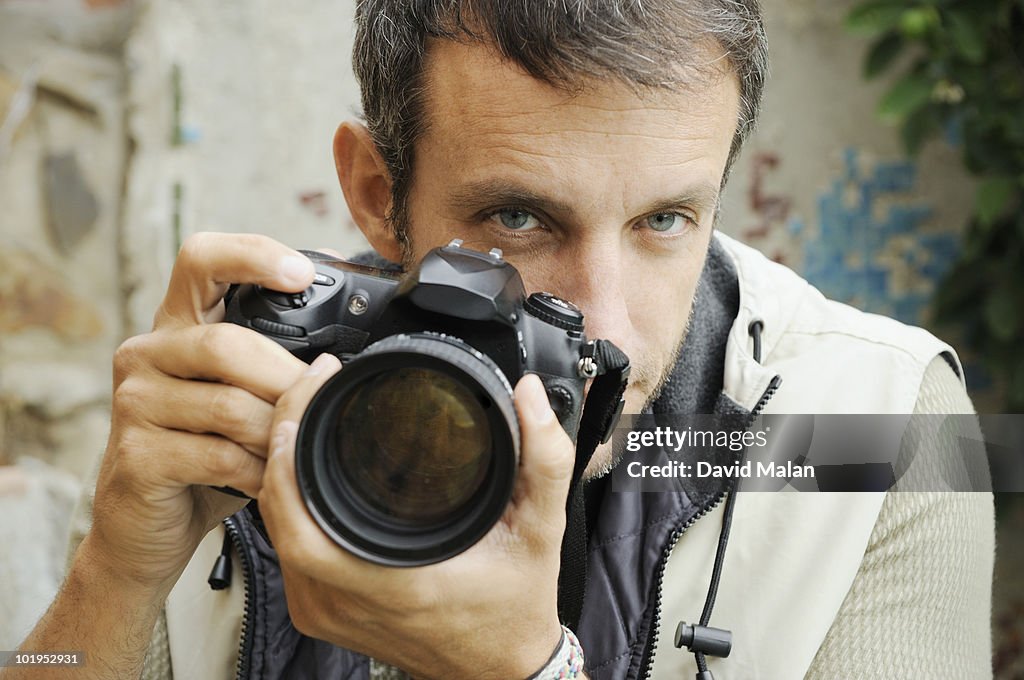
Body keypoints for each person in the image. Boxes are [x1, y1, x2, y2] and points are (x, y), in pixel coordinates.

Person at [5, 1, 994, 679]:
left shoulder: (880, 425)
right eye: (521, 218)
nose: (603, 321)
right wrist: (113, 574)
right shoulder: (263, 389)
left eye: (663, 221)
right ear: (376, 194)